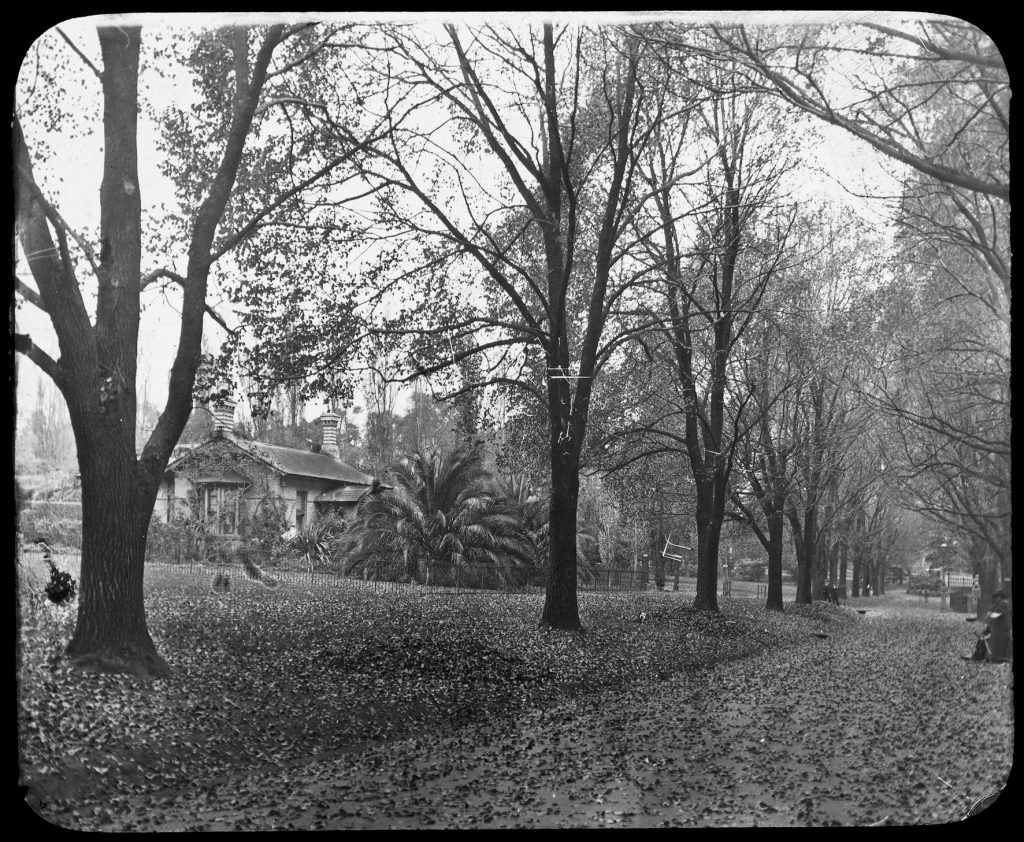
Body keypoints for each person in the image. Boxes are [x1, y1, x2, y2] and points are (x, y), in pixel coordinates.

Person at [985, 590, 1012, 663]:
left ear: (1000, 597)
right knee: (998, 639)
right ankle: (999, 657)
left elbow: (998, 613)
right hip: (1001, 624)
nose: (996, 599)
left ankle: (999, 657)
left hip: (1002, 625)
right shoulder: (1002, 603)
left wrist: (990, 615)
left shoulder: (1003, 603)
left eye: (997, 597)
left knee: (998, 640)